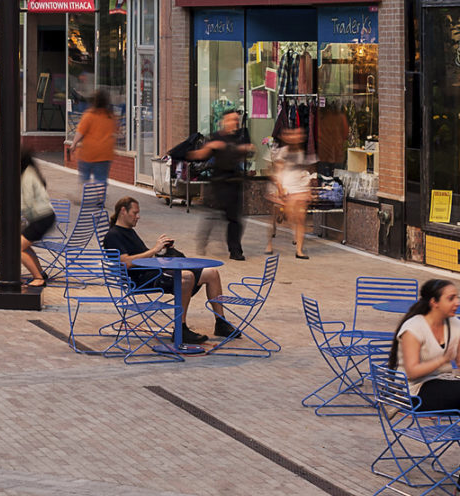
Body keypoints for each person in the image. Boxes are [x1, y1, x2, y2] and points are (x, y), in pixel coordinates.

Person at [101, 197, 235, 343]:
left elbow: (144, 255)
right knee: (187, 276)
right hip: (143, 279)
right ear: (123, 211)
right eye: (135, 213)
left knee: (212, 273)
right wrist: (154, 249)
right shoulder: (113, 235)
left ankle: (221, 323)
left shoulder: (129, 231)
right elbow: (126, 263)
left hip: (155, 271)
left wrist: (162, 251)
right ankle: (180, 328)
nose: (138, 216)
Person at [190, 108, 253, 262]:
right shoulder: (216, 137)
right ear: (224, 122)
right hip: (219, 182)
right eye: (231, 120)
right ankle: (203, 239)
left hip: (235, 181)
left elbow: (250, 151)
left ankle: (235, 250)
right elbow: (202, 155)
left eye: (236, 120)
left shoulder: (241, 136)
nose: (234, 123)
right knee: (214, 215)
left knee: (235, 219)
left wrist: (247, 149)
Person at [389, 279, 460, 411]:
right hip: (413, 391)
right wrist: (442, 360)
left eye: (457, 297)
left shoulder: (455, 324)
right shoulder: (413, 328)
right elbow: (412, 372)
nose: (457, 302)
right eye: (451, 299)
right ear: (434, 302)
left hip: (443, 381)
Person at [266, 123, 315, 261]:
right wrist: (280, 189)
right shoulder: (282, 153)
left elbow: (306, 172)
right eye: (293, 134)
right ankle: (269, 243)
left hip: (299, 189)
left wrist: (308, 189)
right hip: (286, 190)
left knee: (300, 220)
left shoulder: (303, 153)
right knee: (277, 218)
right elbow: (277, 173)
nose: (296, 137)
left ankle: (299, 250)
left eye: (299, 135)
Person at [19, 153, 56, 288]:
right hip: (44, 217)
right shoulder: (31, 171)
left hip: (42, 217)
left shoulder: (27, 175)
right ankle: (40, 273)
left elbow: (26, 201)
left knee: (16, 248)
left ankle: (38, 278)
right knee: (24, 245)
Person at [69, 89, 117, 185]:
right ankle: (100, 197)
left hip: (88, 153)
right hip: (105, 154)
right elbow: (115, 132)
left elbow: (80, 133)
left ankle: (84, 195)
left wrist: (73, 144)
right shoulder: (110, 117)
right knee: (101, 179)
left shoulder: (89, 115)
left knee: (84, 178)